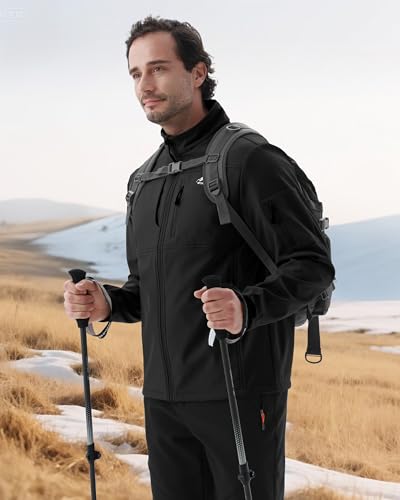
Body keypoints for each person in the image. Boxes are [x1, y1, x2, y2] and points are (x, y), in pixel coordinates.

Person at [64, 16, 335, 500]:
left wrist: (247, 307)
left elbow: (312, 266)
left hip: (240, 395)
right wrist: (106, 302)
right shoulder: (143, 181)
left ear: (198, 73)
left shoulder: (250, 160)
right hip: (164, 400)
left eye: (159, 68)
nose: (145, 85)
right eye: (135, 73)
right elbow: (146, 289)